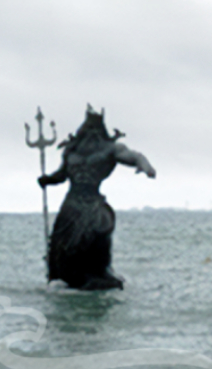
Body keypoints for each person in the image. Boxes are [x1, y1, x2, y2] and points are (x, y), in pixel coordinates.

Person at [39, 104, 156, 290]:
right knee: (62, 241)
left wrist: (144, 164)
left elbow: (133, 156)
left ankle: (101, 269)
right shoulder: (71, 151)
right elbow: (61, 175)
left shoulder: (110, 149)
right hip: (72, 203)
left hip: (93, 201)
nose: (91, 132)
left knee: (99, 229)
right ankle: (63, 272)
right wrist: (47, 180)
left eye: (95, 127)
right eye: (89, 127)